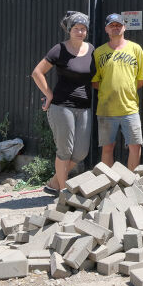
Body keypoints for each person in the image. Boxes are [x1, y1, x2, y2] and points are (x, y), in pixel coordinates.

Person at [31, 11, 94, 193]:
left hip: (84, 107)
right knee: (65, 151)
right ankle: (63, 193)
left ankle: (54, 183)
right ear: (69, 30)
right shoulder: (59, 49)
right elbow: (37, 73)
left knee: (81, 152)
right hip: (62, 106)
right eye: (76, 28)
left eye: (83, 29)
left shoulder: (91, 49)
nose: (80, 32)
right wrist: (49, 94)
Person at [92, 13, 143, 170]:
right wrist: (109, 89)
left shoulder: (135, 49)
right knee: (107, 148)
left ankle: (131, 181)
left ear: (124, 27)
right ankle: (108, 181)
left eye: (118, 25)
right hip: (106, 109)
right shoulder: (99, 52)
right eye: (112, 25)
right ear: (106, 29)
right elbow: (94, 81)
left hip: (129, 108)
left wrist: (127, 89)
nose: (115, 28)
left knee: (135, 146)